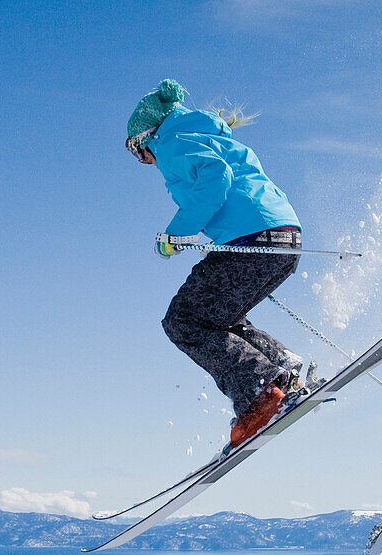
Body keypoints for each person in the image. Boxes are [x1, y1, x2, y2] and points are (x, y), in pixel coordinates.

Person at [126, 79, 307, 448]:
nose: (141, 161)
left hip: (252, 237)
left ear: (146, 138)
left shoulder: (171, 143)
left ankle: (260, 394)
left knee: (183, 320)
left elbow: (215, 178)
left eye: (135, 151)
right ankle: (283, 372)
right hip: (283, 235)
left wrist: (176, 233)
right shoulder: (206, 134)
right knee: (215, 317)